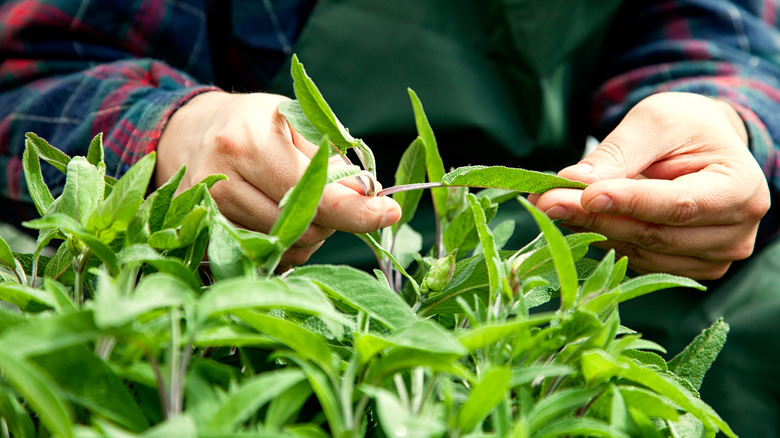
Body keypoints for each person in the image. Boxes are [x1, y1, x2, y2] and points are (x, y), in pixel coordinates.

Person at [1, 0, 778, 435]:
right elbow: (34, 64)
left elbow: (718, 30)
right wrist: (176, 131)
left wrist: (726, 122)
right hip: (241, 264)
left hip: (510, 259)